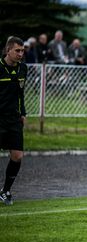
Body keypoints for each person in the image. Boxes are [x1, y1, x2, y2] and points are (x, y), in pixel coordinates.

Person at [0, 37, 28, 206]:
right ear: (8, 50)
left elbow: (21, 94)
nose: (20, 54)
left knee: (17, 156)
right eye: (17, 50)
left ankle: (5, 191)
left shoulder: (23, 69)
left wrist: (23, 113)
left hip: (14, 119)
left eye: (22, 50)